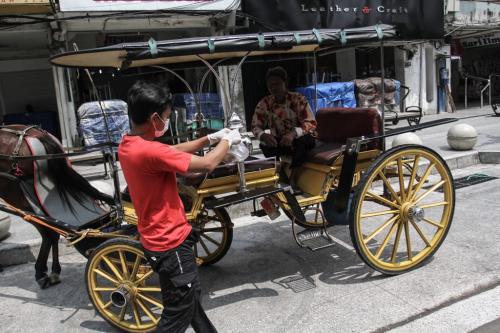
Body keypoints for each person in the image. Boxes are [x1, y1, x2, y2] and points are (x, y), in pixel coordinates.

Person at [118, 80, 240, 333]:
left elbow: (170, 150)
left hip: (157, 240)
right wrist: (228, 140)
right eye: (166, 117)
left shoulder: (130, 145)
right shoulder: (149, 152)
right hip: (170, 243)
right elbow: (207, 165)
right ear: (154, 119)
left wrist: (209, 137)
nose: (167, 121)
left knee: (191, 302)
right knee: (176, 316)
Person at [251, 66, 317, 185]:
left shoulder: (298, 99)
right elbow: (255, 126)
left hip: (300, 139)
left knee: (302, 143)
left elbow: (310, 123)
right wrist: (263, 135)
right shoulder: (265, 103)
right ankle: (281, 174)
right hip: (280, 141)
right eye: (270, 84)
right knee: (264, 144)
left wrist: (293, 134)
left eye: (277, 83)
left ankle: (294, 177)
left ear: (285, 82)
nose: (273, 87)